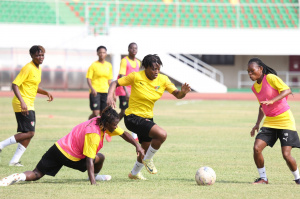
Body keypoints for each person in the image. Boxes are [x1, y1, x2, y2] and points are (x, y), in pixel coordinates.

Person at [0, 106, 144, 186]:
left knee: (37, 173)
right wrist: (93, 183)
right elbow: (89, 159)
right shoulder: (94, 134)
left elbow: (124, 134)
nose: (116, 127)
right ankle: (93, 178)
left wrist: (136, 145)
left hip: (57, 148)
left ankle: (16, 176)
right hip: (70, 156)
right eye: (114, 125)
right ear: (106, 124)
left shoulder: (99, 120)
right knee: (99, 157)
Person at [107, 54, 191, 180]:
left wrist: (183, 92)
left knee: (145, 149)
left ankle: (134, 173)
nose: (156, 71)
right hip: (132, 117)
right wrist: (110, 95)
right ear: (145, 67)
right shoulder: (136, 76)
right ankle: (148, 160)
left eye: (158, 68)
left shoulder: (163, 80)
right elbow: (115, 83)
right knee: (162, 134)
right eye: (153, 68)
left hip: (147, 118)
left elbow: (177, 95)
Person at [247, 58, 300, 185]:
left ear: (260, 69)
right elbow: (261, 106)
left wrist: (272, 100)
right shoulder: (254, 87)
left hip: (285, 120)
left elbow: (287, 90)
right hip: (270, 121)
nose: (250, 74)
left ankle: (298, 178)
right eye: (248, 71)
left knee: (286, 154)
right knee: (257, 148)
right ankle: (263, 178)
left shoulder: (270, 78)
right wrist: (257, 124)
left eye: (252, 71)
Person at [0, 45, 53, 167]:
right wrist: (22, 102)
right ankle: (1, 145)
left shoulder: (37, 68)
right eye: (37, 55)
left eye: (42, 55)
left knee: (28, 133)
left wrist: (46, 92)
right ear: (32, 56)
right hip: (22, 103)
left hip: (29, 103)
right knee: (30, 133)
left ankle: (14, 161)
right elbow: (14, 85)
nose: (40, 57)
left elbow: (32, 87)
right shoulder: (27, 68)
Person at [86, 45, 113, 142]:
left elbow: (110, 81)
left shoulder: (109, 65)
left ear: (106, 54)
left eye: (104, 52)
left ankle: (103, 132)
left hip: (105, 92)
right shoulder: (94, 65)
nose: (102, 54)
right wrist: (92, 88)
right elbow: (88, 78)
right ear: (97, 53)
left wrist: (112, 93)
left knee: (104, 114)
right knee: (95, 112)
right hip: (95, 92)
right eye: (100, 52)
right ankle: (87, 124)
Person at [115, 42, 140, 141]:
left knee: (132, 110)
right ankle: (111, 125)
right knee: (124, 111)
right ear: (128, 49)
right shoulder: (124, 61)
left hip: (133, 90)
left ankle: (134, 134)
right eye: (132, 48)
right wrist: (126, 91)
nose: (134, 50)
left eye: (136, 48)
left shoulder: (138, 62)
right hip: (123, 89)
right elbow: (122, 76)